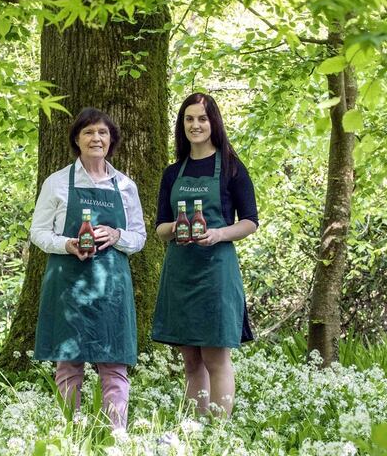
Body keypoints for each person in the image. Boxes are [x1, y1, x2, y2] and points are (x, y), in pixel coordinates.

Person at [31, 107, 147, 430]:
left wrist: (117, 235)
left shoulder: (125, 187)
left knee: (115, 365)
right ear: (77, 139)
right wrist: (67, 244)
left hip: (112, 288)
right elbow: (38, 232)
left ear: (111, 141)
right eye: (89, 132)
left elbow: (139, 237)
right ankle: (70, 435)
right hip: (68, 286)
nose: (96, 138)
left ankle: (115, 437)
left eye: (103, 133)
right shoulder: (56, 183)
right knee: (68, 365)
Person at [151, 92, 258, 417]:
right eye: (189, 119)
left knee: (215, 358)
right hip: (181, 272)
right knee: (191, 359)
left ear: (214, 123)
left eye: (202, 118)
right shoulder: (172, 173)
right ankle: (196, 431)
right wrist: (176, 228)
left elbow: (250, 222)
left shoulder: (231, 167)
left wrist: (218, 234)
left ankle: (218, 435)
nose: (195, 125)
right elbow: (159, 227)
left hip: (216, 273)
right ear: (181, 125)